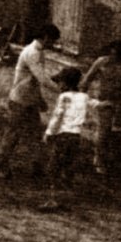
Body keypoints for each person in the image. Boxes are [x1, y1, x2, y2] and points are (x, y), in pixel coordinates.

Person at [0, 24, 61, 180]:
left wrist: (39, 99)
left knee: (34, 135)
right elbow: (42, 79)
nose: (53, 44)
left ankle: (36, 168)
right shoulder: (32, 53)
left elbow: (34, 82)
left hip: (29, 100)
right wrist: (63, 90)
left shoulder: (38, 52)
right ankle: (1, 165)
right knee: (13, 135)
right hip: (19, 100)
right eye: (52, 40)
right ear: (45, 37)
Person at [79, 40, 121, 176]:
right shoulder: (101, 62)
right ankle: (99, 159)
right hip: (105, 100)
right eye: (111, 53)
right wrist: (82, 94)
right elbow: (87, 79)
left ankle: (118, 158)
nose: (113, 57)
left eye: (116, 55)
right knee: (104, 130)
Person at [40, 67, 89, 211]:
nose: (59, 86)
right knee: (67, 167)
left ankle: (54, 199)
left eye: (60, 83)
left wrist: (49, 133)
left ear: (66, 83)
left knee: (53, 168)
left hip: (63, 136)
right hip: (75, 136)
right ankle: (65, 199)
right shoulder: (82, 96)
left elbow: (57, 116)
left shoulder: (64, 97)